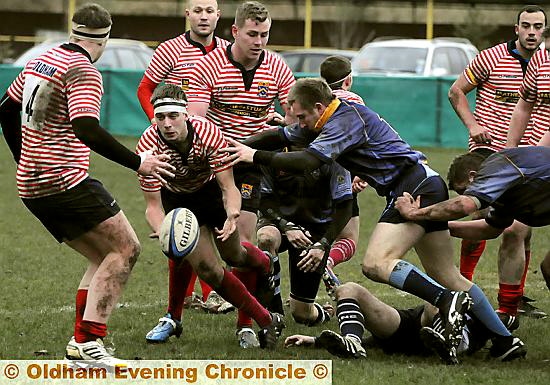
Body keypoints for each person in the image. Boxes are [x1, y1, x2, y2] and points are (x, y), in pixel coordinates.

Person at [223, 77, 526, 363]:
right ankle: (504, 340)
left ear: (318, 107)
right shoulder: (319, 121)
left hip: (411, 187)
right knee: (448, 273)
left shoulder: (344, 117)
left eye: (301, 117)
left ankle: (447, 302)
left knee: (376, 263)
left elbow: (308, 161)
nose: (298, 124)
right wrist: (230, 148)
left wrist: (254, 155)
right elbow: (277, 136)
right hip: (423, 182)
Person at [0, 3, 175, 367]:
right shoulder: (84, 71)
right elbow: (86, 127)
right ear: (105, 39)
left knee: (102, 255)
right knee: (126, 249)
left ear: (73, 31)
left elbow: (5, 109)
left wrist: (25, 159)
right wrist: (138, 162)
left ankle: (82, 342)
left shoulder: (42, 60)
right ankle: (89, 344)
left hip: (32, 185)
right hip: (65, 181)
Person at [136, 84, 284, 349]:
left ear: (185, 114)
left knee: (235, 256)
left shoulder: (206, 132)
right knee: (207, 269)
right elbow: (152, 206)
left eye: (173, 116)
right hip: (178, 199)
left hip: (211, 193)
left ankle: (264, 263)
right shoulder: (148, 146)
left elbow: (228, 187)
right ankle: (265, 318)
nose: (167, 124)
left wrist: (232, 215)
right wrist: (163, 229)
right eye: (160, 117)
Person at [186, 0, 296, 348]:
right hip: (210, 161)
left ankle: (245, 324)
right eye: (252, 34)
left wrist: (283, 126)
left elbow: (294, 115)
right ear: (234, 31)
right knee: (193, 241)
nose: (259, 40)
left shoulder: (277, 66)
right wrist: (221, 144)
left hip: (250, 164)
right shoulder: (208, 66)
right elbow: (197, 120)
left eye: (265, 34)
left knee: (241, 245)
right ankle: (173, 315)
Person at [137, 0, 233, 343]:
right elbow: (145, 88)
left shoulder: (226, 51)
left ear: (218, 16)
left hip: (212, 147)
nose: (204, 16)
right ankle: (189, 298)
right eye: (198, 10)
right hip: (177, 149)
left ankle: (214, 292)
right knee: (180, 224)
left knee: (220, 225)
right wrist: (158, 120)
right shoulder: (170, 49)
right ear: (187, 14)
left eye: (210, 10)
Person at [447, 5, 547, 328]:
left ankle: (511, 304)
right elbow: (456, 91)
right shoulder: (490, 58)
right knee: (483, 216)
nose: (532, 32)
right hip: (489, 154)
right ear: (515, 27)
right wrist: (473, 124)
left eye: (538, 27)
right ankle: (460, 282)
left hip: (530, 160)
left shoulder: (543, 64)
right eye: (526, 26)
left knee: (520, 227)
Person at [395, 147, 550, 294]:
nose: (467, 194)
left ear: (473, 176)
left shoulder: (497, 165)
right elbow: (489, 229)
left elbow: (463, 205)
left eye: (465, 191)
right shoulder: (506, 192)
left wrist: (415, 214)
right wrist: (435, 226)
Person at [256, 139, 353, 330]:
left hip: (314, 233)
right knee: (265, 238)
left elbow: (345, 207)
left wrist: (323, 244)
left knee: (301, 313)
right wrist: (286, 226)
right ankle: (274, 313)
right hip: (279, 224)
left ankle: (323, 312)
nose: (299, 123)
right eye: (293, 113)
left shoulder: (332, 155)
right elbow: (263, 199)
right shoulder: (271, 152)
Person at [284, 282, 493, 363]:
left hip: (447, 332)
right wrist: (315, 340)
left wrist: (505, 334)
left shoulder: (486, 316)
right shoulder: (453, 297)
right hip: (412, 324)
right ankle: (352, 343)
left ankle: (448, 346)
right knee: (348, 289)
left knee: (436, 304)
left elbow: (505, 324)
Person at [319, 55, 368, 294]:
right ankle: (327, 262)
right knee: (348, 238)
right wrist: (359, 173)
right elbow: (360, 138)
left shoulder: (317, 100)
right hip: (341, 175)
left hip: (312, 173)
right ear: (348, 80)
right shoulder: (353, 99)